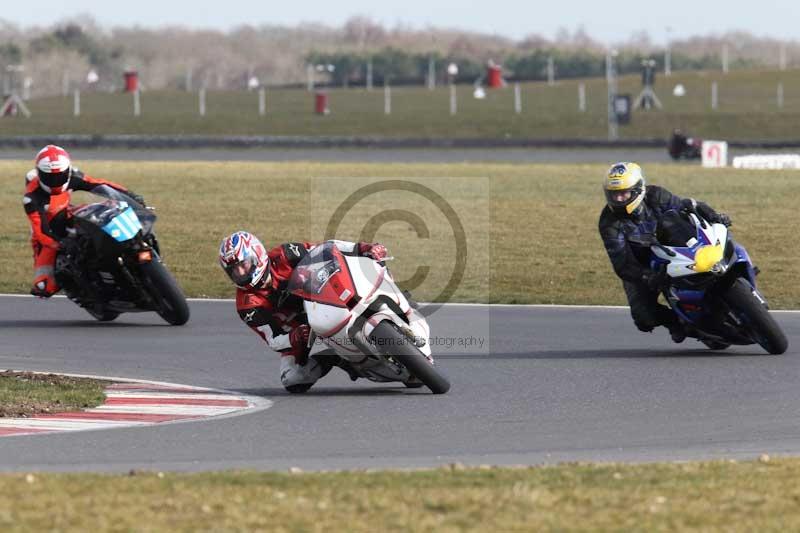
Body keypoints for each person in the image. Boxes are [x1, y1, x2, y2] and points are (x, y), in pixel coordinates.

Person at [218, 231, 388, 393]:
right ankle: (335, 357)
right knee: (292, 379)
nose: (240, 273)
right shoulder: (246, 305)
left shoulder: (285, 254)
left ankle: (389, 298)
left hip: (325, 298)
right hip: (303, 332)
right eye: (234, 270)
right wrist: (295, 337)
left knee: (364, 266)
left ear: (257, 255)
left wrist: (364, 248)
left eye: (243, 265)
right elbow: (273, 339)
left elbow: (326, 249)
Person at [599, 162, 731, 342]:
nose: (619, 199)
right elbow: (622, 264)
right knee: (643, 317)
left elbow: (688, 205)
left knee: (722, 238)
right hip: (645, 265)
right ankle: (676, 323)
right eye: (614, 195)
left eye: (624, 193)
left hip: (681, 244)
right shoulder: (609, 223)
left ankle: (735, 272)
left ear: (638, 190)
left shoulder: (655, 195)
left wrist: (714, 216)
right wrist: (647, 276)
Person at [23, 145, 145, 297]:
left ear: (67, 171)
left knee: (105, 213)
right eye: (49, 177)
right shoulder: (32, 198)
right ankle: (78, 288)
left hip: (68, 214)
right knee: (44, 287)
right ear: (40, 173)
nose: (55, 181)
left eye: (59, 175)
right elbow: (40, 230)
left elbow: (100, 185)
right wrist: (59, 244)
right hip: (49, 232)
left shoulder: (74, 176)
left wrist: (130, 195)